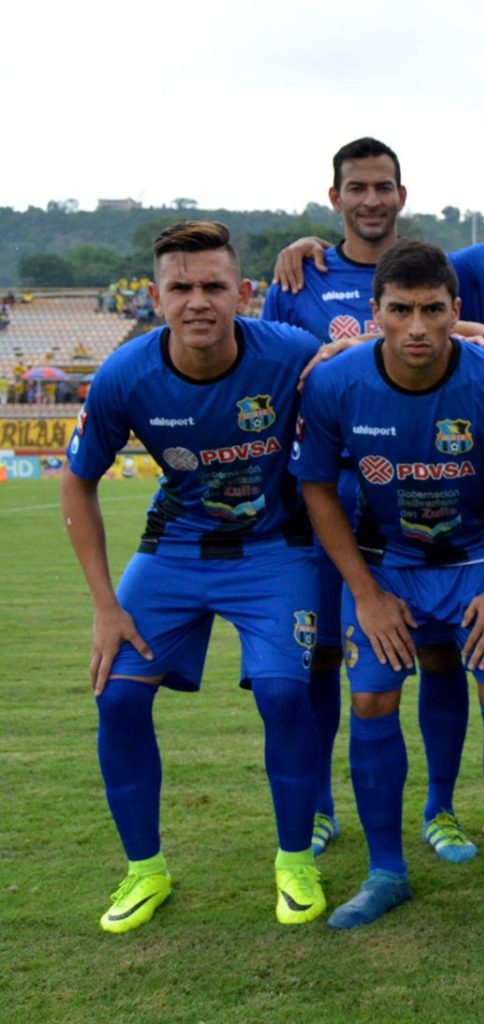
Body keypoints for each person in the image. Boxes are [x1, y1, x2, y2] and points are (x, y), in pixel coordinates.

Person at [61, 221, 327, 932]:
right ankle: (144, 871)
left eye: (214, 285)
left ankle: (295, 860)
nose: (198, 301)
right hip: (175, 547)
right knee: (117, 699)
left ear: (244, 293)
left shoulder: (291, 355)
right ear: (156, 298)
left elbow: (366, 376)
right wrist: (104, 606)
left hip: (275, 547)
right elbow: (77, 481)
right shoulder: (126, 375)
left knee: (283, 694)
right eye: (181, 287)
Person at [292, 241, 484, 930]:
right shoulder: (336, 382)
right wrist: (365, 592)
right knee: (371, 699)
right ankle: (386, 871)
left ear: (455, 310)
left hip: (480, 562)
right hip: (386, 564)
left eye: (432, 310)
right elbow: (317, 486)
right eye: (401, 310)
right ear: (375, 313)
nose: (417, 327)